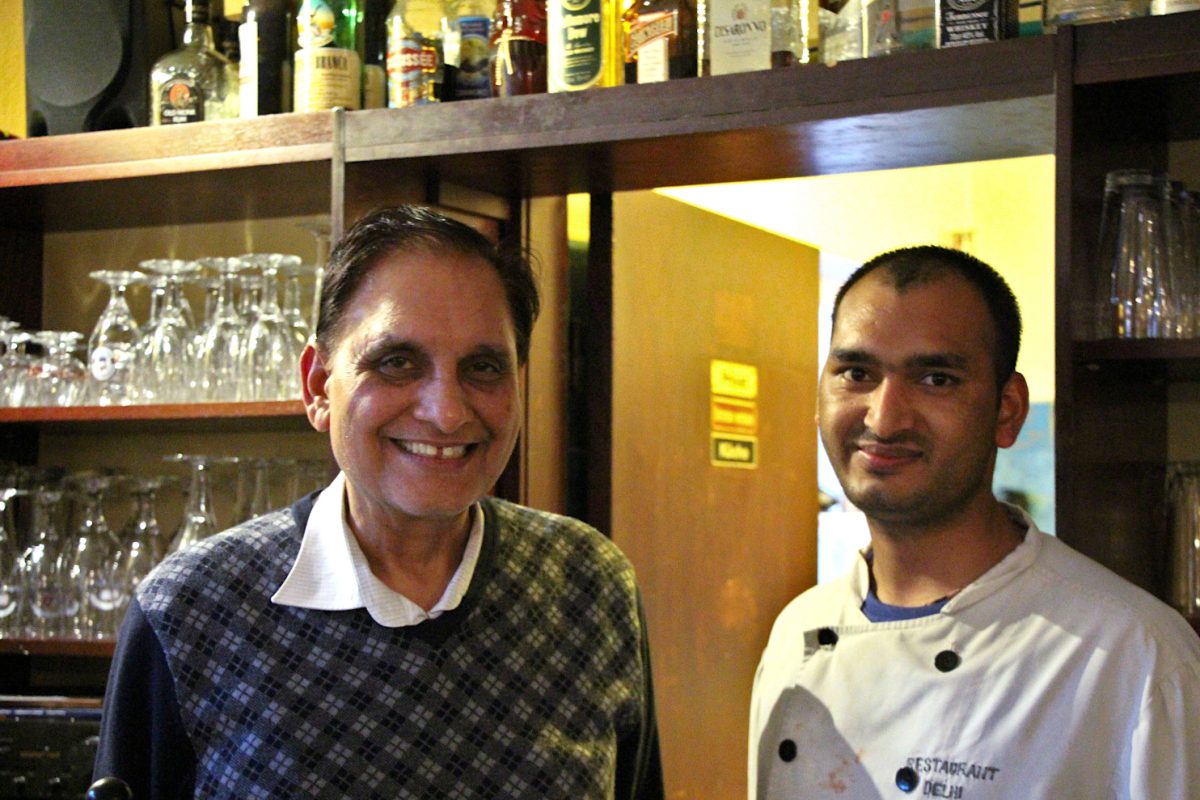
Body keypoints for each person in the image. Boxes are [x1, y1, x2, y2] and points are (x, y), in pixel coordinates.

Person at [94, 206, 664, 799]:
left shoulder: (587, 586)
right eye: (397, 362)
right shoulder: (192, 611)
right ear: (318, 386)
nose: (446, 412)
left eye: (484, 367)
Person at [749, 246, 1200, 799]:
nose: (884, 417)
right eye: (857, 372)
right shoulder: (796, 629)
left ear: (1007, 410)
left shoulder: (1135, 654)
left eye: (935, 379)